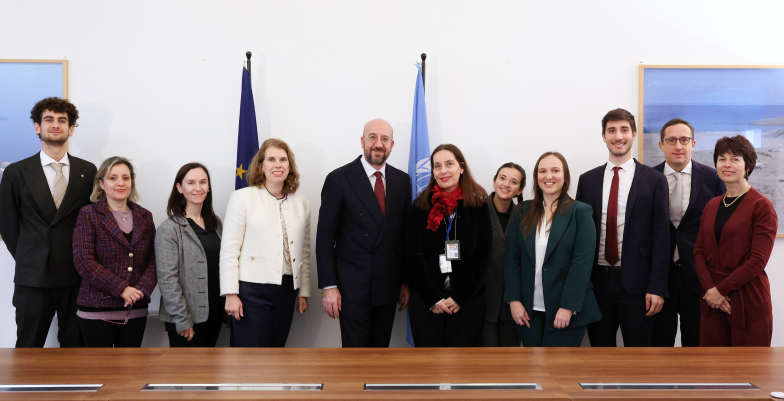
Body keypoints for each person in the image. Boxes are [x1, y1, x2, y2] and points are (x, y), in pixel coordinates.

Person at [0, 97, 96, 348]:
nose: (56, 125)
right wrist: (30, 255)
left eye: (62, 121)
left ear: (71, 128)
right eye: (49, 119)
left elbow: (92, 223)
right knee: (28, 349)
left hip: (77, 275)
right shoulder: (16, 172)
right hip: (32, 278)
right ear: (37, 127)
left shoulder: (88, 171)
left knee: (76, 348)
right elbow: (8, 224)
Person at [575, 108, 669, 347]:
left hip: (638, 287)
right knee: (600, 354)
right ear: (604, 136)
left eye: (624, 130)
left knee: (639, 359)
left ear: (634, 134)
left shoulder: (654, 180)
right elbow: (579, 237)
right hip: (596, 284)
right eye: (612, 130)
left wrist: (657, 287)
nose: (618, 136)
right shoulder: (587, 180)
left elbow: (661, 237)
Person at [316, 119, 411, 348]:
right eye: (372, 137)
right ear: (362, 141)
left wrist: (406, 282)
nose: (378, 144)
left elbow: (405, 237)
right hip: (352, 290)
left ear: (392, 145)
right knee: (354, 362)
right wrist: (329, 287)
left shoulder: (402, 181)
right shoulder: (339, 179)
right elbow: (325, 239)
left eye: (385, 139)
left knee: (380, 358)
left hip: (388, 288)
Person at [505, 152, 601, 346]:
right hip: (527, 310)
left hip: (565, 310)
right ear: (536, 177)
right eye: (542, 171)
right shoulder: (522, 210)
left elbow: (582, 263)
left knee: (561, 373)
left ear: (565, 176)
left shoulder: (580, 211)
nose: (548, 176)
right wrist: (514, 301)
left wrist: (568, 306)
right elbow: (512, 258)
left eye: (555, 170)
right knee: (533, 370)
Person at [221, 138, 310, 347]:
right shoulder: (242, 198)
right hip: (251, 291)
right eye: (271, 159)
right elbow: (229, 250)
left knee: (276, 355)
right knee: (250, 359)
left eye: (283, 159)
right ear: (261, 166)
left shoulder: (301, 203)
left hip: (287, 291)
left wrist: (303, 291)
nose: (278, 164)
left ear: (290, 165)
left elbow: (304, 251)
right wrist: (230, 294)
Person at [694, 135, 777, 346]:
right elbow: (699, 251)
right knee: (712, 373)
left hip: (747, 300)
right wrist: (712, 291)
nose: (727, 164)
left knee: (749, 372)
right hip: (711, 302)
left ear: (748, 165)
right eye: (722, 159)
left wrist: (721, 291)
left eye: (735, 159)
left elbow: (757, 261)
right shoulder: (711, 205)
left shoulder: (762, 206)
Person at [407, 144, 491, 347]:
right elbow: (413, 255)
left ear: (461, 167)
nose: (443, 171)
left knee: (462, 369)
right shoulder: (420, 206)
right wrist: (433, 299)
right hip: (427, 302)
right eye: (437, 166)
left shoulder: (478, 205)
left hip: (467, 301)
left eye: (449, 164)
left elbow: (482, 255)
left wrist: (460, 297)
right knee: (430, 368)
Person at [651, 119, 725, 347]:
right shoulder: (648, 179)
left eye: (684, 140)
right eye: (671, 140)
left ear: (693, 144)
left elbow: (721, 229)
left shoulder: (713, 179)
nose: (678, 146)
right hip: (659, 280)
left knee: (697, 344)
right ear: (661, 145)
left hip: (699, 277)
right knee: (658, 346)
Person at [72, 157, 157, 347]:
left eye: (126, 178)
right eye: (113, 178)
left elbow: (153, 260)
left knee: (130, 373)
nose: (120, 183)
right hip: (96, 309)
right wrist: (122, 289)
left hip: (136, 309)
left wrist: (141, 291)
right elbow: (83, 261)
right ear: (101, 183)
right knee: (99, 373)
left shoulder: (145, 216)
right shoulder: (88, 214)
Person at [155, 163, 224, 347]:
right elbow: (167, 279)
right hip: (187, 320)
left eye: (203, 182)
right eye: (191, 183)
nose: (198, 188)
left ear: (208, 187)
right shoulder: (169, 229)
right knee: (187, 375)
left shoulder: (215, 223)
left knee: (210, 373)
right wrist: (182, 319)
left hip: (215, 312)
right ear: (179, 187)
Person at [482, 162, 525, 347]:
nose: (506, 184)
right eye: (502, 178)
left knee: (511, 366)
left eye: (513, 182)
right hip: (482, 302)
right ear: (494, 181)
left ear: (519, 190)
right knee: (484, 365)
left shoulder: (525, 217)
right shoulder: (476, 211)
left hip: (513, 304)